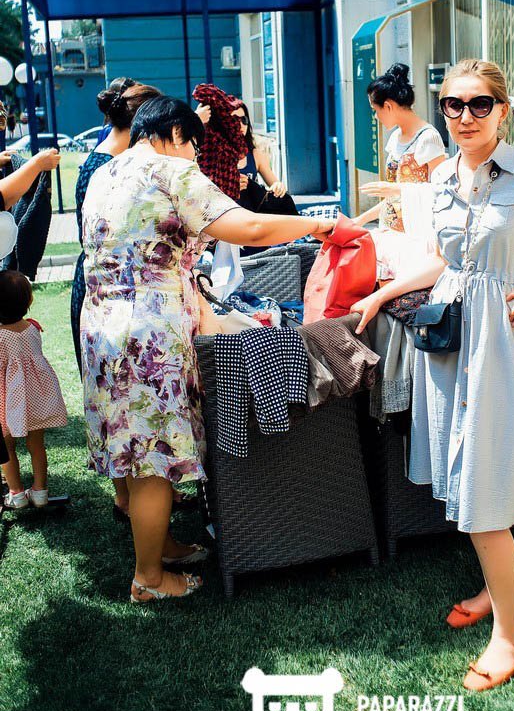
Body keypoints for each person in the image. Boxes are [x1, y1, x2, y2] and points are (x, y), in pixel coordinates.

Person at [351, 59, 514, 691]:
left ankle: (511, 634)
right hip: (451, 344)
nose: (465, 116)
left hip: (503, 345)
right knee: (473, 476)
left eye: (479, 105)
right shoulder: (443, 175)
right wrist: (382, 294)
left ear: (500, 111)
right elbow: (445, 262)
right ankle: (497, 590)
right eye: (453, 105)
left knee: (483, 481)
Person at [80, 96, 335, 604]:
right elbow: (250, 226)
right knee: (154, 459)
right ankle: (149, 579)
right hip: (149, 332)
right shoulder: (171, 171)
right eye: (194, 146)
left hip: (102, 324)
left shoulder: (106, 172)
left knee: (137, 448)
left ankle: (162, 547)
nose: (196, 157)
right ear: (175, 134)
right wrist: (315, 224)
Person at [70, 77, 162, 524]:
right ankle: (128, 497)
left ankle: (140, 495)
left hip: (106, 287)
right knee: (118, 403)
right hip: (107, 288)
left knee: (118, 402)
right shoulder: (108, 166)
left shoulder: (106, 158)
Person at [0, 270, 67, 509]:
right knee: (37, 445)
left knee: (6, 447)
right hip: (36, 397)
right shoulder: (33, 328)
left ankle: (16, 493)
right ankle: (40, 491)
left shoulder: (0, 337)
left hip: (8, 399)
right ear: (29, 300)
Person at [354, 63, 446, 232]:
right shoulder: (395, 137)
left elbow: (441, 191)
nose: (376, 116)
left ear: (388, 106)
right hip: (389, 231)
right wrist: (360, 220)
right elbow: (393, 198)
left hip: (417, 234)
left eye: (375, 110)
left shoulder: (428, 138)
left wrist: (394, 188)